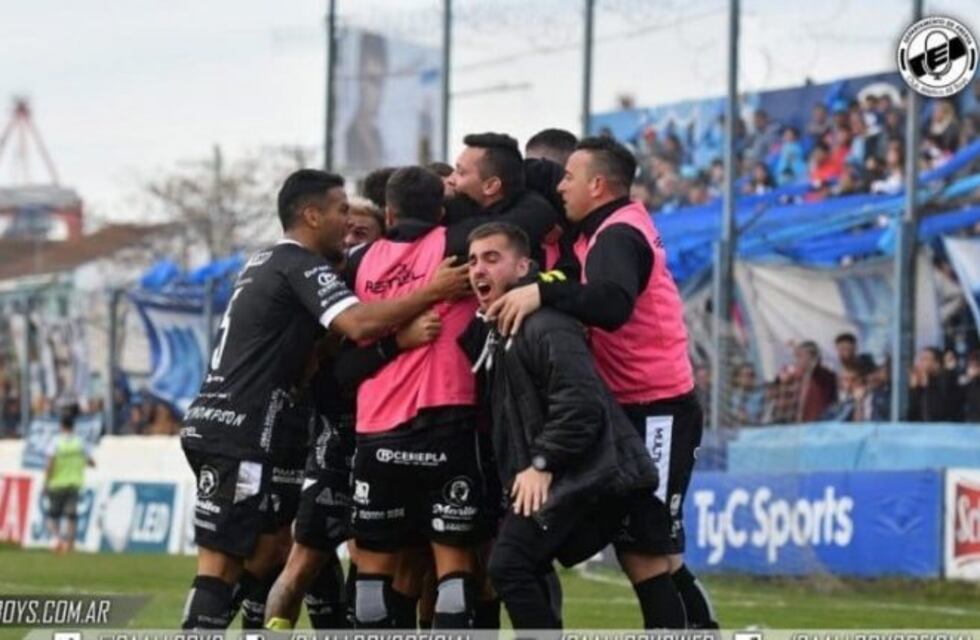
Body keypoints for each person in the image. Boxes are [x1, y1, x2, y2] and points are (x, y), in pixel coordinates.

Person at [178, 169, 470, 630]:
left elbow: (320, 351)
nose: (346, 225)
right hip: (242, 430)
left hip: (225, 421)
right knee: (222, 565)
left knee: (270, 550)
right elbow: (358, 324)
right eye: (339, 212)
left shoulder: (267, 261)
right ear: (311, 216)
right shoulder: (301, 264)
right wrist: (432, 291)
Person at [486, 136, 717, 629]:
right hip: (626, 408)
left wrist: (543, 298)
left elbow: (612, 304)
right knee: (644, 554)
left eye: (570, 177)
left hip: (658, 409)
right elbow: (565, 263)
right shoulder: (596, 232)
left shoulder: (616, 235)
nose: (562, 186)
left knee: (651, 553)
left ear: (597, 184)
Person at [460, 222, 659, 629]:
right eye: (473, 261)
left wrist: (542, 463)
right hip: (569, 474)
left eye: (492, 259)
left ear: (523, 269)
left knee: (511, 564)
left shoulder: (545, 324)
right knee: (522, 565)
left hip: (585, 475)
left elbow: (581, 404)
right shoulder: (499, 329)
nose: (478, 270)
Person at [341, 166, 487, 628]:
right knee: (454, 568)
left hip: (376, 431)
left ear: (387, 212)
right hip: (448, 420)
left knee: (372, 571)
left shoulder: (358, 262)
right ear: (441, 210)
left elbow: (341, 358)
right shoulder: (458, 245)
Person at [447, 132, 562, 268]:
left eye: (461, 173)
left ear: (491, 186)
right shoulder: (450, 206)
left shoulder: (533, 214)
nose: (450, 179)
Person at [43, 403, 94, 554]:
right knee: (71, 516)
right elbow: (89, 460)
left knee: (53, 515)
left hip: (57, 483)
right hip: (74, 483)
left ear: (61, 426)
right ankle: (70, 544)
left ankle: (58, 539)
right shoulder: (79, 442)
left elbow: (50, 464)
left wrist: (45, 482)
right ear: (73, 426)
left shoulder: (55, 442)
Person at [908, 347, 965, 422]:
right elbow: (911, 415)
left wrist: (928, 386)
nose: (920, 362)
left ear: (936, 364)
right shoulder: (918, 385)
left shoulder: (945, 381)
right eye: (919, 359)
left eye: (925, 359)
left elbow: (942, 410)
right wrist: (914, 390)